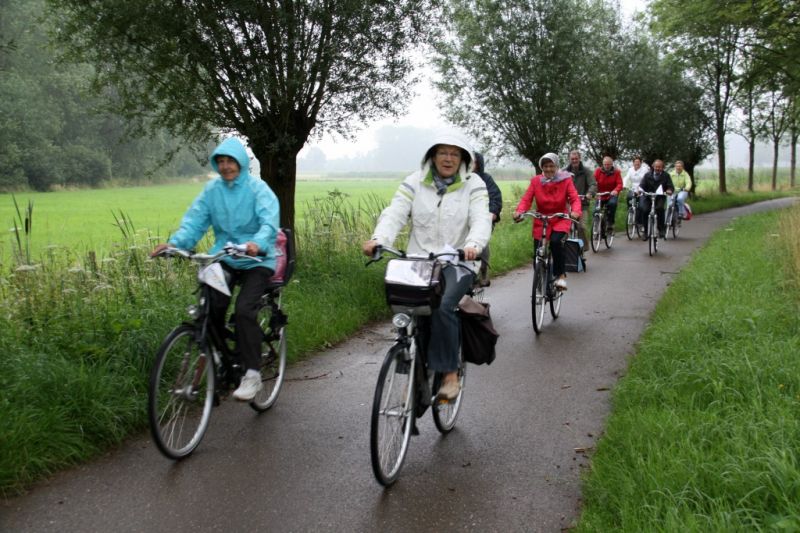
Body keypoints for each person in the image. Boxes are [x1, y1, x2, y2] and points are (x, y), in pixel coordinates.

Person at [362, 134, 492, 401]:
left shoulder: (474, 184)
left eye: (454, 154)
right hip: (419, 260)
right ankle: (413, 371)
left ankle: (449, 373)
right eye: (443, 153)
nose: (448, 159)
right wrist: (379, 239)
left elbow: (481, 218)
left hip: (458, 261)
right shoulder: (414, 182)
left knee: (443, 306)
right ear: (432, 156)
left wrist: (473, 244)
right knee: (408, 308)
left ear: (463, 160)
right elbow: (395, 212)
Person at [151, 137, 280, 401]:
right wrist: (175, 244)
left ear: (240, 163)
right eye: (220, 161)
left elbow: (269, 222)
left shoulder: (258, 189)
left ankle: (252, 374)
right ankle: (225, 358)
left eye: (230, 161)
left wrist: (257, 243)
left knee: (244, 310)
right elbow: (195, 221)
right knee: (210, 305)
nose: (225, 166)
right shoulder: (212, 191)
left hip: (257, 259)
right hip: (225, 256)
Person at [513, 153, 581, 290]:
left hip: (560, 218)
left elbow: (574, 198)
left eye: (551, 166)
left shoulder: (566, 180)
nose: (548, 169)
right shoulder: (536, 181)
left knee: (556, 242)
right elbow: (527, 198)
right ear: (541, 167)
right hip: (542, 219)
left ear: (557, 166)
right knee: (537, 253)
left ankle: (560, 276)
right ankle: (540, 277)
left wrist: (575, 211)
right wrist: (520, 211)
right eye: (545, 166)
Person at [473, 151, 503, 286]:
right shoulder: (460, 179)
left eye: (473, 162)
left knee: (481, 241)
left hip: (484, 217)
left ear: (478, 164)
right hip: (464, 219)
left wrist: (493, 213)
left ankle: (483, 270)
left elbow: (495, 197)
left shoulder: (486, 179)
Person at [564, 150, 596, 252]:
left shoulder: (586, 171)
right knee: (564, 227)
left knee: (581, 226)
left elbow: (593, 184)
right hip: (567, 204)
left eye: (576, 158)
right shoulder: (564, 172)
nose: (574, 160)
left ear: (579, 158)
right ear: (569, 159)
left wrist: (590, 193)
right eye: (572, 159)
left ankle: (584, 248)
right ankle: (564, 248)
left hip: (582, 203)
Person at [636, 159, 674, 239]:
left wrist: (669, 190)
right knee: (645, 210)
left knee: (659, 209)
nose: (657, 168)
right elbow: (642, 184)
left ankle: (661, 229)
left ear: (662, 167)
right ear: (653, 166)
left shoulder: (666, 175)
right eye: (656, 167)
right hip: (648, 196)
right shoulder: (647, 175)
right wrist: (639, 190)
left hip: (660, 197)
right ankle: (645, 232)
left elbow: (670, 186)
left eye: (659, 167)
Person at [593, 156, 623, 234]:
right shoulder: (598, 171)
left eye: (608, 164)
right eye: (605, 164)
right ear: (603, 164)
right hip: (600, 194)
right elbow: (593, 182)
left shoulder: (616, 172)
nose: (606, 166)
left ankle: (610, 223)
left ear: (612, 164)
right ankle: (596, 226)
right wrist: (593, 191)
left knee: (612, 204)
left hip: (611, 194)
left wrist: (616, 190)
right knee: (595, 210)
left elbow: (619, 184)